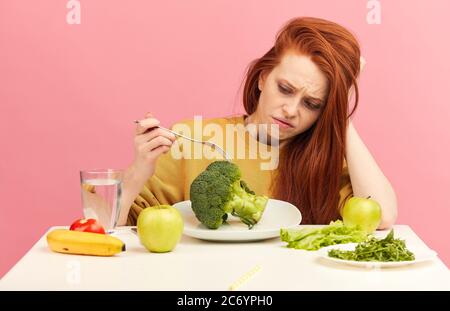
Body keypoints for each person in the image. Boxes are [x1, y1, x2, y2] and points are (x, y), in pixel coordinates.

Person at [117, 17, 397, 228]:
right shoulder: (191, 138)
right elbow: (108, 227)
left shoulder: (326, 160)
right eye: (285, 88)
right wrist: (137, 171)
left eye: (312, 104)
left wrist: (340, 110)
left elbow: (381, 217)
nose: (290, 110)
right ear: (263, 77)